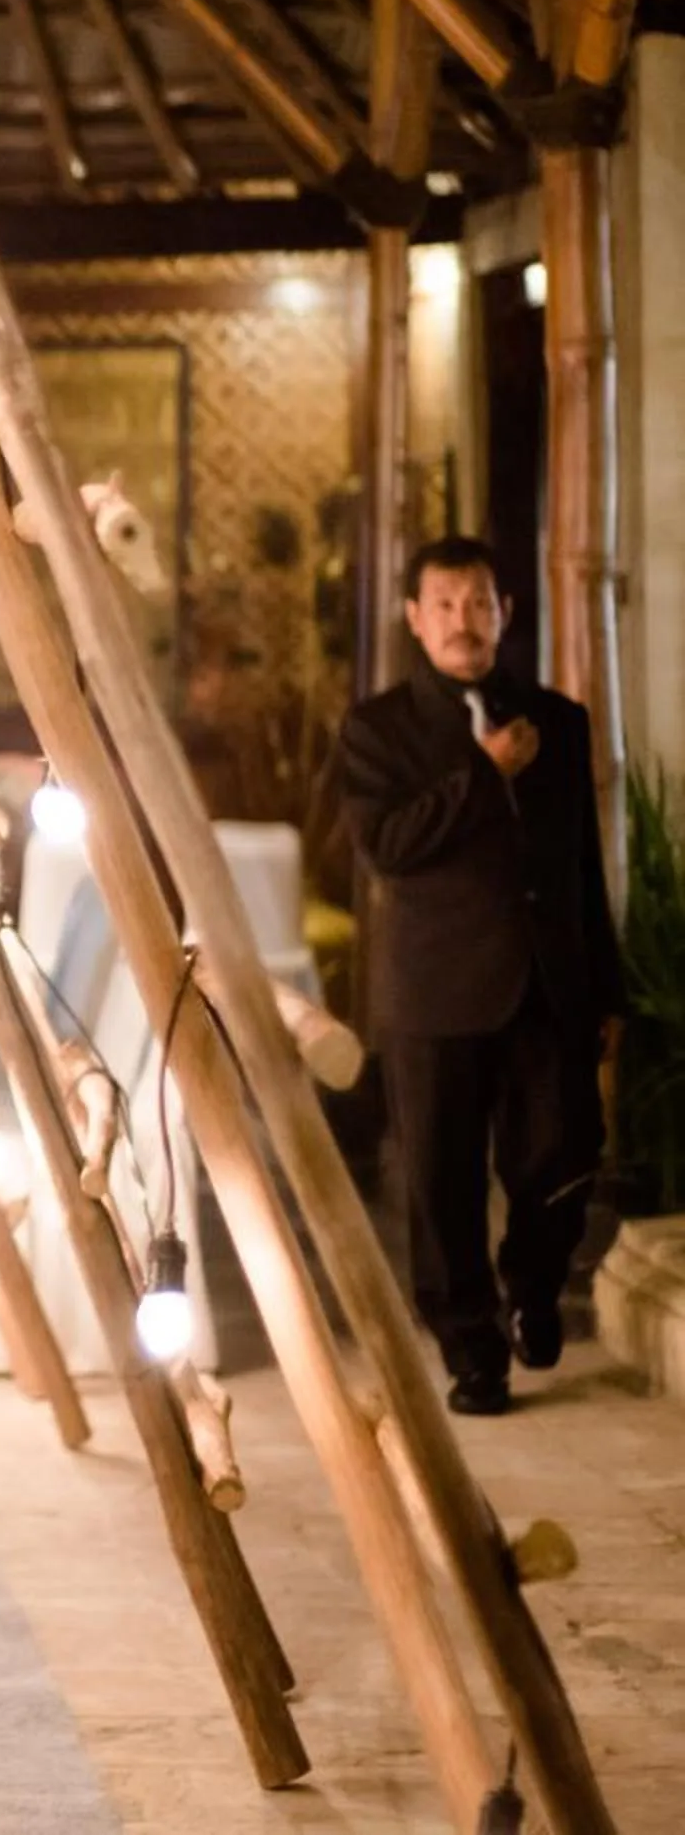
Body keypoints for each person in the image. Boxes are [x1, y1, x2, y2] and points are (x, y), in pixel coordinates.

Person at [331, 536, 624, 1417]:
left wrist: (604, 987)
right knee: (442, 1184)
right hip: (434, 992)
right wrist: (478, 771)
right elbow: (388, 849)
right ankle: (472, 1353)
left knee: (563, 1155)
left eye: (481, 603)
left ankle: (534, 1287)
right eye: (446, 604)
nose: (465, 621)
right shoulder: (376, 729)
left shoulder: (558, 721)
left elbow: (582, 865)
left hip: (546, 985)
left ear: (507, 613)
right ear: (417, 619)